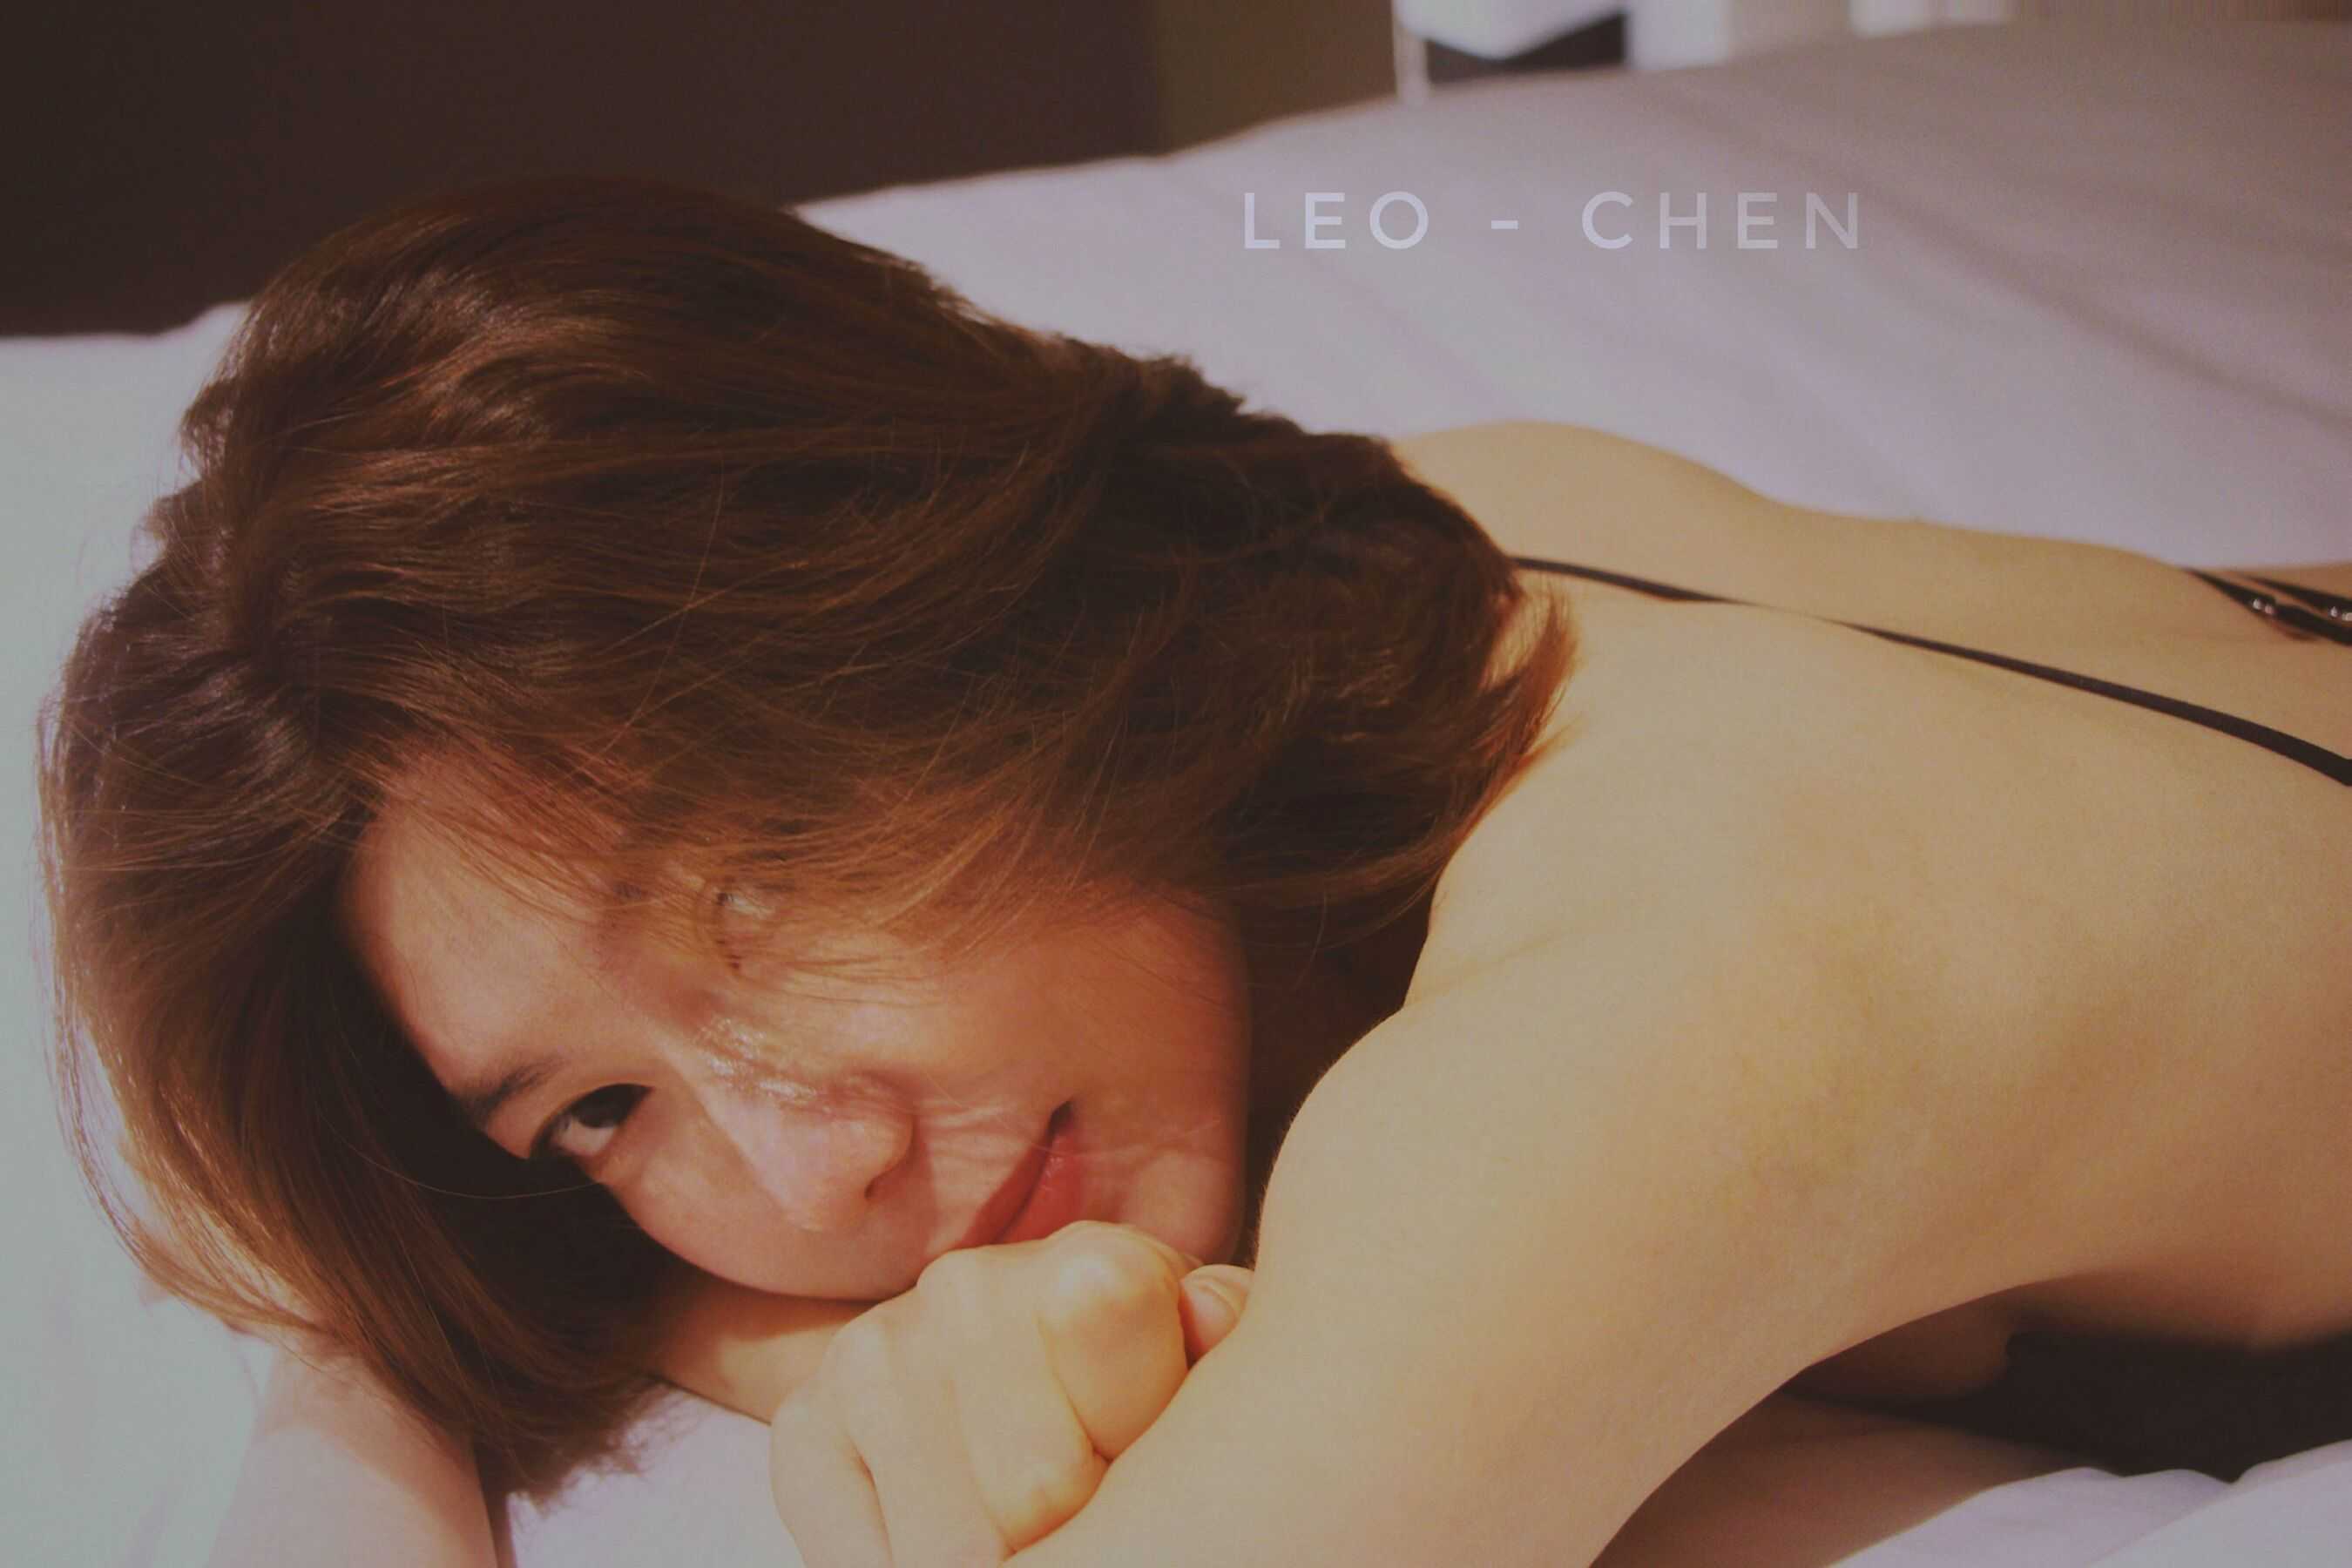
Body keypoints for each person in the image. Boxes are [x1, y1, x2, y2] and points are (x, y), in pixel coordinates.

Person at [37, 174, 2350, 1567]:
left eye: (751, 890)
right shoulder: (1430, 547)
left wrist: (473, 1355)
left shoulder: (1680, 999)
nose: (813, 1167)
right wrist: (428, 1326)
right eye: (596, 1118)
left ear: (986, 610)